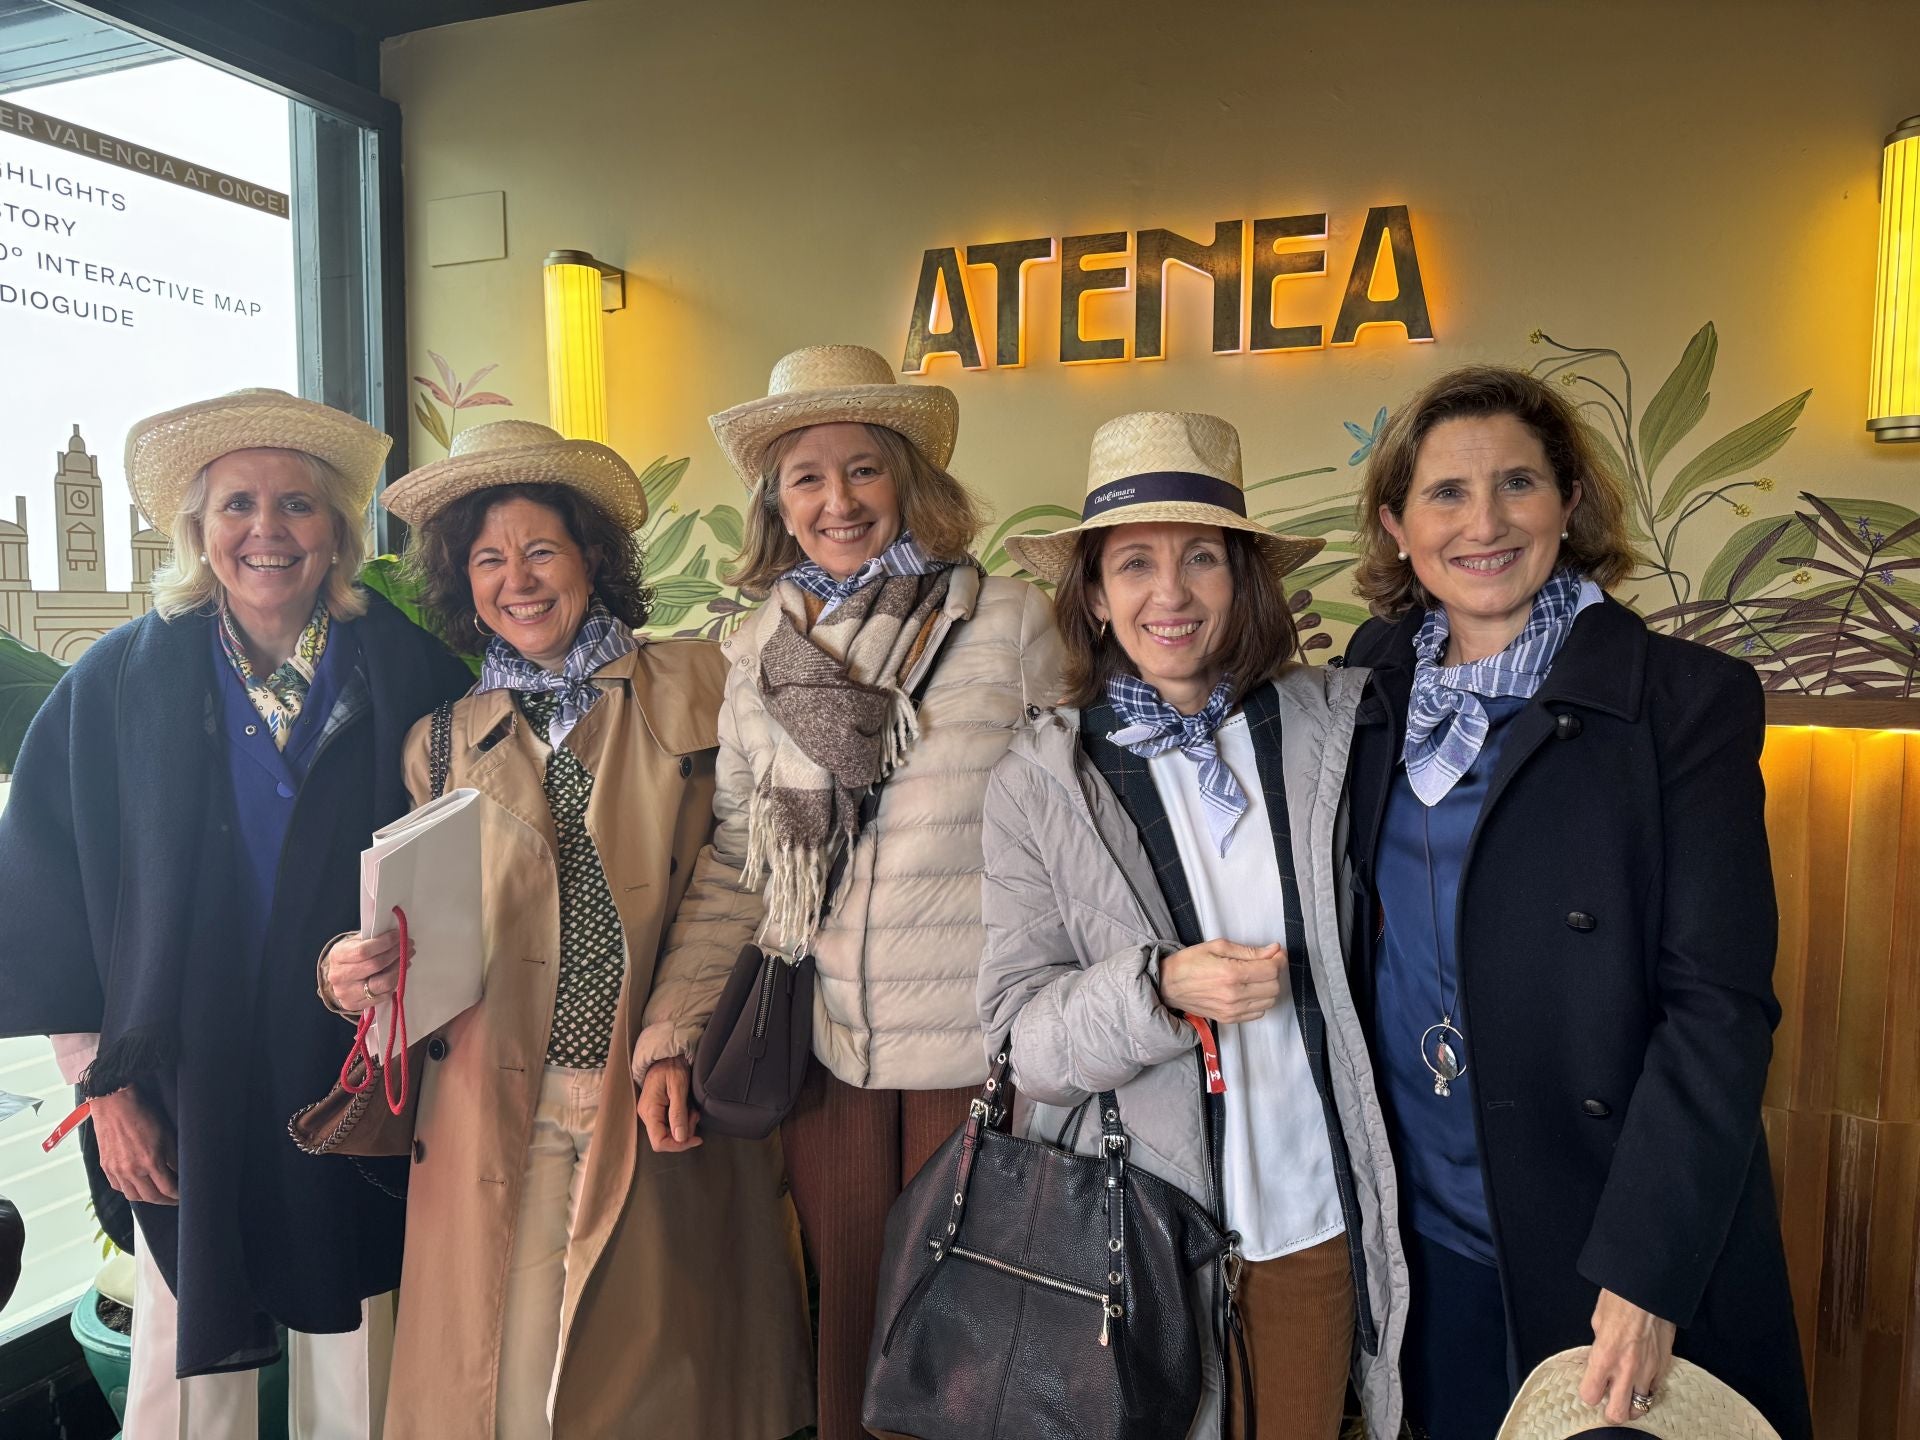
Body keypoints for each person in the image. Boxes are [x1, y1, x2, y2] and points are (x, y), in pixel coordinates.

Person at [1343, 365, 1813, 1440]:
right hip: (1424, 1235)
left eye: (1518, 483)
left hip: (1606, 1239)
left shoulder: (1681, 702)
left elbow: (1719, 1010)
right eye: (1446, 495)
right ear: (1397, 526)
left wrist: (1648, 1272)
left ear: (1568, 503)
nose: (1486, 523)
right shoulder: (1367, 691)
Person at [321, 419, 811, 1439]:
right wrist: (353, 976)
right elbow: (422, 935)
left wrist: (671, 1032)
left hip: (654, 1091)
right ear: (466, 583)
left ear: (590, 557)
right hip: (500, 1107)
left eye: (542, 549)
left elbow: (746, 872)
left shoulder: (705, 685)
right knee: (512, 1387)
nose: (520, 579)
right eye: (490, 559)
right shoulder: (443, 745)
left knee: (655, 1384)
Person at [0, 388, 472, 1439]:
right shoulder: (118, 682)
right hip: (177, 1073)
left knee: (359, 1342)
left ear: (340, 532)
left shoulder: (411, 673)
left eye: (298, 506)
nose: (268, 531)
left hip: (356, 1063)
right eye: (238, 506)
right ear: (198, 532)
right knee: (181, 1359)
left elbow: (474, 870)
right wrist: (104, 1091)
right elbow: (44, 895)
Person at [633, 345, 1063, 1440]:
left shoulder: (1008, 623)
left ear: (910, 481)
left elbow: (1081, 834)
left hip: (980, 1053)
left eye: (863, 470)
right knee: (848, 1330)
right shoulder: (756, 651)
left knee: (969, 1344)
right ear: (775, 500)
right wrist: (674, 1027)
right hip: (831, 1049)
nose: (838, 501)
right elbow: (738, 859)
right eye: (806, 476)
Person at [977, 411, 1405, 1439]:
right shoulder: (1040, 782)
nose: (1168, 595)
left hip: (1312, 1215)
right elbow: (1015, 1041)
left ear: (1242, 578)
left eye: (1200, 559)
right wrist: (1154, 989)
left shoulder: (1335, 731)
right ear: (1093, 592)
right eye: (1134, 565)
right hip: (1135, 1231)